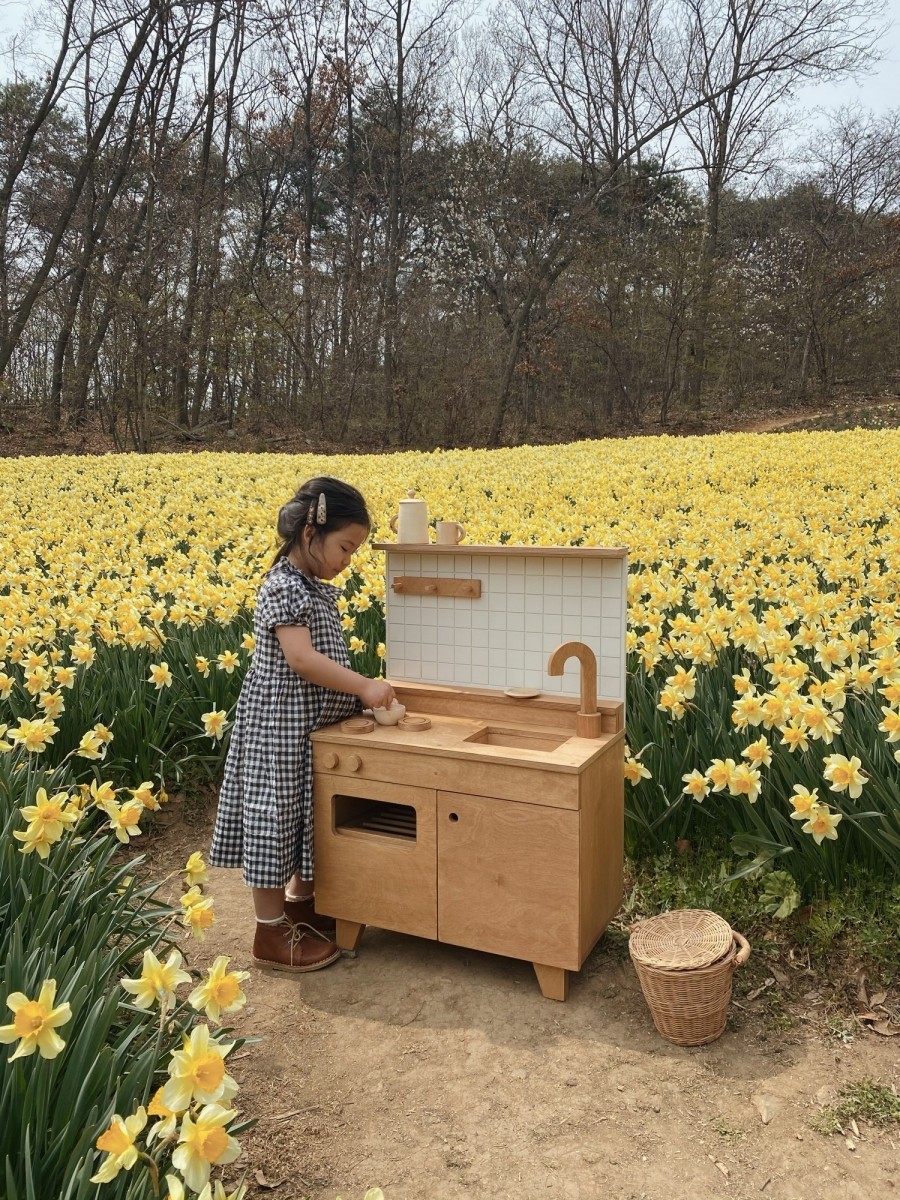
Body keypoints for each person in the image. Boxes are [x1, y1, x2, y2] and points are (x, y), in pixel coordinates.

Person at [210, 476, 395, 971]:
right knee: (275, 819)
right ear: (310, 533)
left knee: (306, 818)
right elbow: (302, 660)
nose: (348, 560)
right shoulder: (282, 586)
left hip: (306, 731)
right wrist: (363, 687)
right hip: (277, 732)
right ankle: (269, 934)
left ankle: (300, 905)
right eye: (345, 547)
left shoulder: (311, 586)